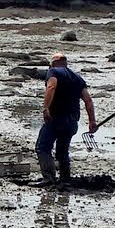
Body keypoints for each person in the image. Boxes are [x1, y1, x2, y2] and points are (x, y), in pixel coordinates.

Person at [35, 52, 97, 185]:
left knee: (43, 147)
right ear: (66, 63)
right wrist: (92, 121)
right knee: (62, 150)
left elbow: (51, 86)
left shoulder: (53, 72)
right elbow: (88, 100)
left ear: (53, 63)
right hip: (72, 121)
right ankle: (65, 178)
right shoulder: (77, 78)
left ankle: (49, 178)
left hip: (56, 118)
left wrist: (45, 108)